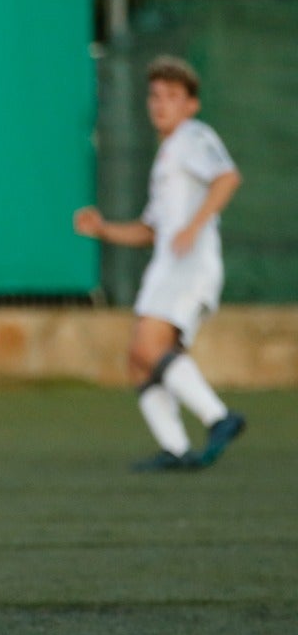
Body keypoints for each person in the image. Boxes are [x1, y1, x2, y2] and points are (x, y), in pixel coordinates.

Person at [74, 55, 245, 472]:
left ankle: (218, 417)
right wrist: (104, 229)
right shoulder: (169, 152)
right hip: (167, 266)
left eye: (172, 96)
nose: (160, 104)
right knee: (138, 358)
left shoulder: (193, 136)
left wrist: (194, 226)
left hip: (190, 265)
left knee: (149, 348)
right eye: (155, 96)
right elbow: (151, 228)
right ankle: (176, 449)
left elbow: (227, 177)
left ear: (191, 104)